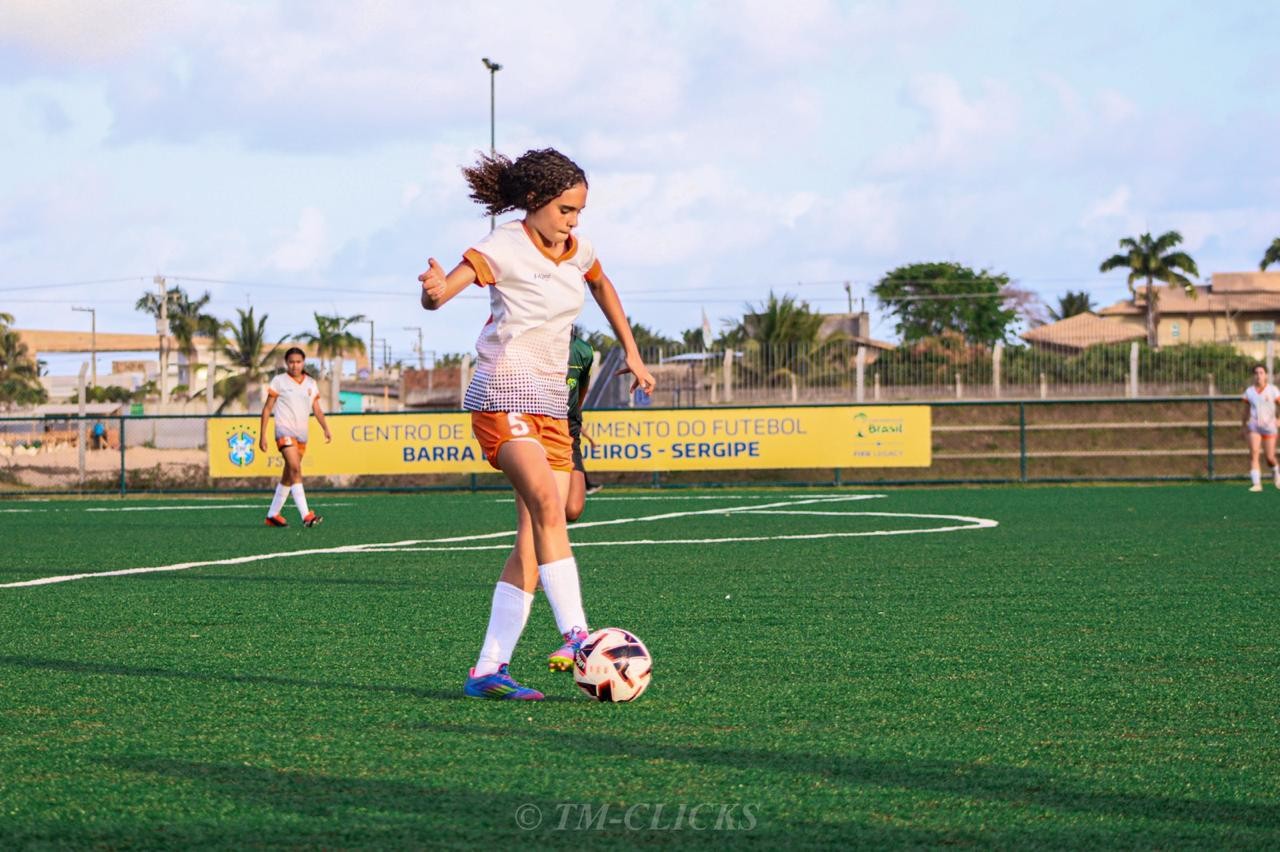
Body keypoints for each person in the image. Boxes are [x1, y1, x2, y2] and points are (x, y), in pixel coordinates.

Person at [419, 147, 656, 701]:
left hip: (550, 408)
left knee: (533, 542)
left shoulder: (579, 250)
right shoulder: (502, 246)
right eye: (565, 210)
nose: (573, 221)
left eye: (579, 211)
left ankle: (487, 669)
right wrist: (432, 292)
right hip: (502, 399)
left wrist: (633, 352)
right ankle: (577, 636)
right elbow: (445, 293)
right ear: (534, 202)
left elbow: (603, 286)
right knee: (552, 510)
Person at [259, 347, 332, 526]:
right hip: (284, 432)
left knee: (289, 475)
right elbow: (267, 408)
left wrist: (326, 428)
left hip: (302, 435)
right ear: (286, 363)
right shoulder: (279, 381)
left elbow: (317, 409)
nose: (295, 365)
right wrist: (262, 435)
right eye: (291, 362)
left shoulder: (310, 383)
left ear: (303, 362)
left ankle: (272, 515)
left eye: (298, 362)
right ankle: (306, 516)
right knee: (296, 469)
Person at [565, 328, 597, 523]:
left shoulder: (582, 350)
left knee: (573, 509)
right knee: (545, 502)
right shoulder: (532, 341)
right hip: (538, 425)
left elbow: (581, 392)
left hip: (568, 427)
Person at [1242, 363, 1280, 492]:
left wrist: (1279, 420)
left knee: (1270, 457)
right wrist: (1243, 425)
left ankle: (1276, 472)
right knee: (1254, 453)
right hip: (1254, 426)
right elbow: (1246, 410)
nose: (1259, 375)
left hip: (1269, 427)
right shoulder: (1249, 391)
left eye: (1261, 373)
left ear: (1266, 375)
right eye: (1256, 373)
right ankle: (1257, 483)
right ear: (1253, 375)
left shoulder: (1273, 390)